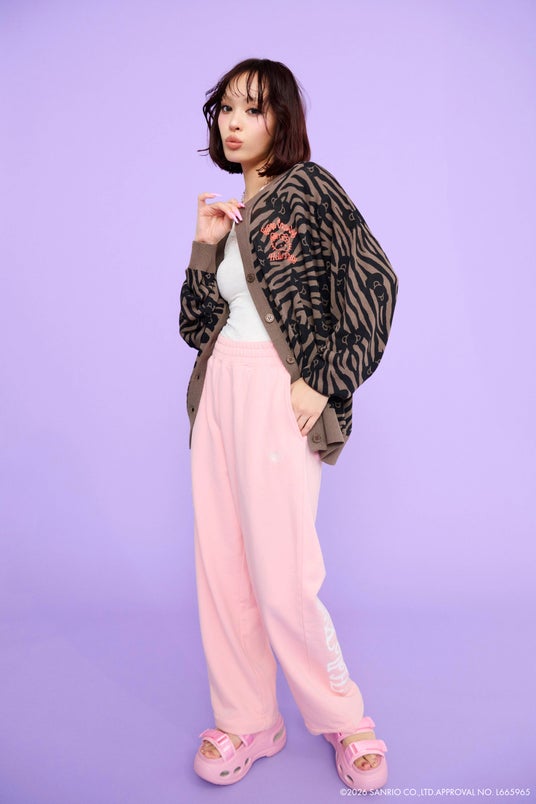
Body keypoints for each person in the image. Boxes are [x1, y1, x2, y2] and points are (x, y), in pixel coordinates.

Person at [179, 58, 398, 792]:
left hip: (280, 394)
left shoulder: (310, 189)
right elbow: (195, 327)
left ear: (282, 119)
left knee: (283, 576)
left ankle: (344, 719)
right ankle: (248, 721)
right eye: (226, 109)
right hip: (219, 394)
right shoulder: (231, 210)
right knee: (224, 570)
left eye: (253, 109)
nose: (234, 123)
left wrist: (325, 380)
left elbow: (375, 281)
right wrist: (205, 243)